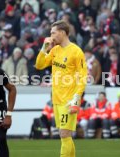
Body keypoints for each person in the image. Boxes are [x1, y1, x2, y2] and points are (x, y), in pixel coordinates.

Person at [35, 20, 87, 157]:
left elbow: (83, 76)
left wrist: (77, 97)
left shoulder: (76, 52)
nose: (51, 36)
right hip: (56, 99)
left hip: (69, 99)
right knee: (65, 135)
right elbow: (39, 65)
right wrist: (44, 48)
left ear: (63, 33)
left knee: (64, 134)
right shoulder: (54, 50)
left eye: (53, 33)